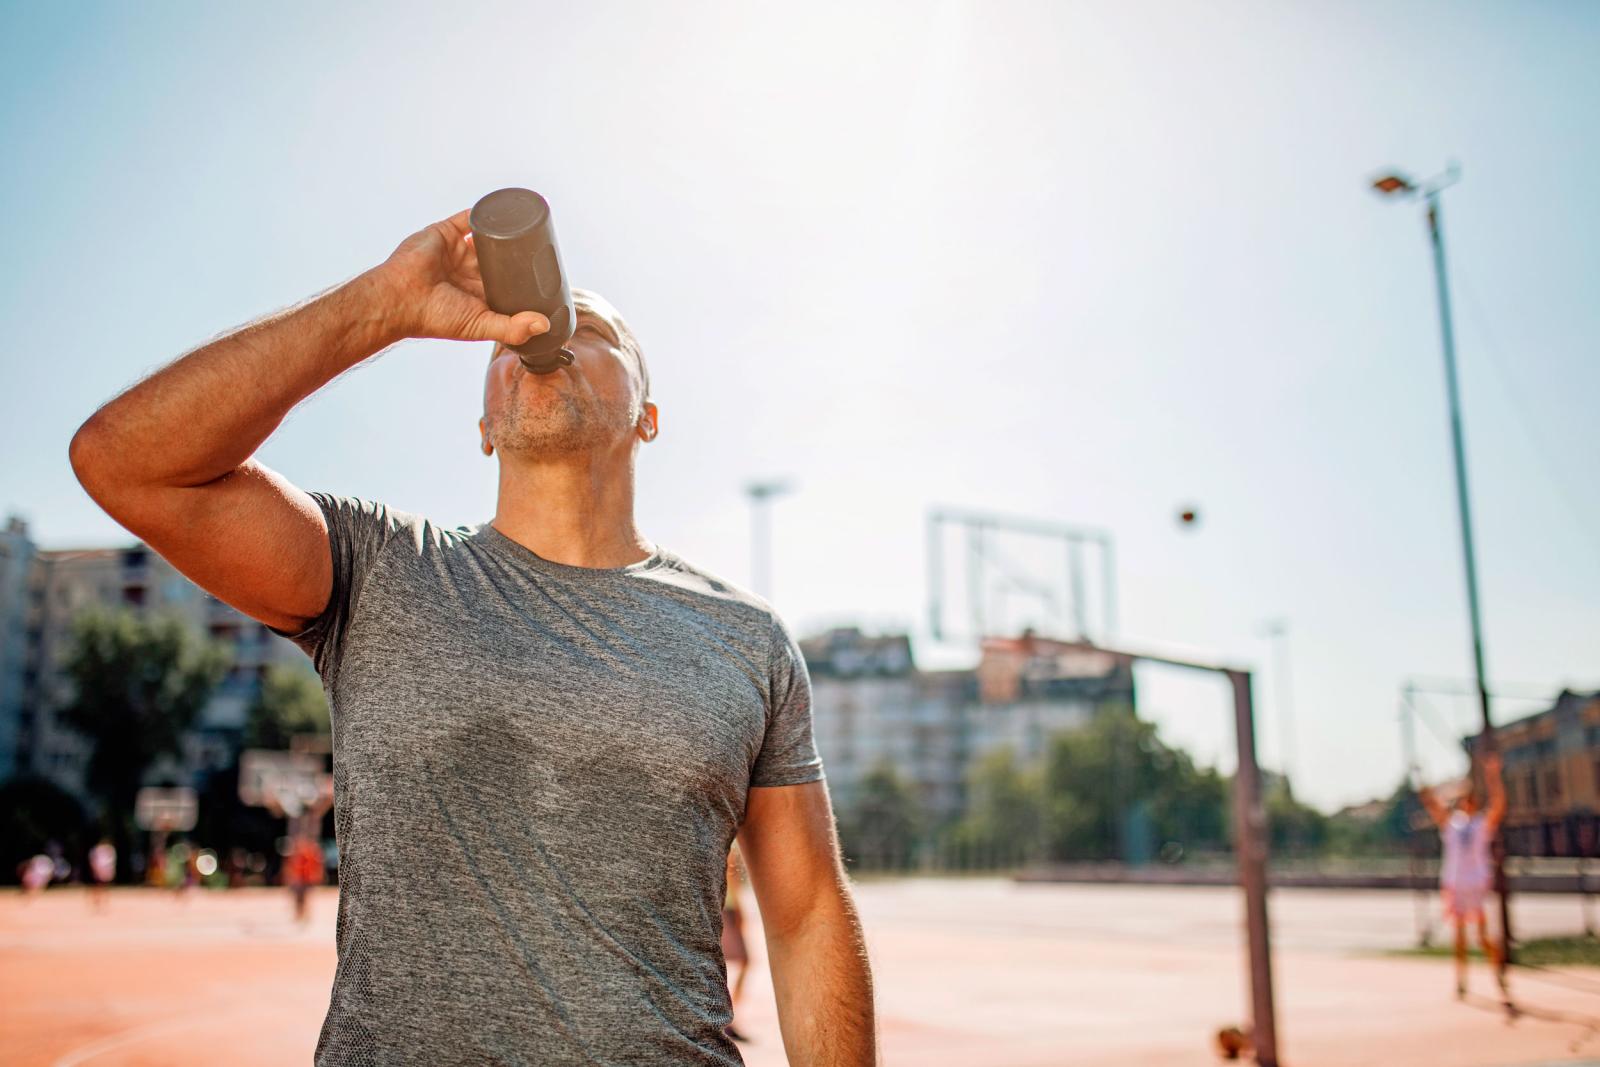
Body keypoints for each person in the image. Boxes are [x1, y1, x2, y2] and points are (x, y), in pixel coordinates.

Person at [70, 207, 877, 1065]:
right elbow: (125, 461)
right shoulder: (379, 567)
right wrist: (380, 306)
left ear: (647, 414)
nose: (537, 337)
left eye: (586, 328)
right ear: (484, 427)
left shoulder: (743, 638)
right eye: (501, 346)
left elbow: (806, 915)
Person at [1419, 751, 1508, 1002]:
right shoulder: (1452, 825)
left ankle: (1498, 973)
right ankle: (1461, 981)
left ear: (1473, 803)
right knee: (1459, 937)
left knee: (1482, 937)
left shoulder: (1481, 825)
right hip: (1456, 885)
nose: (1465, 804)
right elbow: (1432, 804)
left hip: (1475, 885)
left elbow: (1498, 805)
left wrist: (1493, 777)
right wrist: (1423, 778)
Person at [721, 844, 751, 1043]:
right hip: (727, 910)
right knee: (742, 961)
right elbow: (732, 878)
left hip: (725, 908)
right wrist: (740, 910)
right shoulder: (730, 843)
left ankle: (729, 1018)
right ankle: (727, 1020)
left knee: (739, 963)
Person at [88, 838, 116, 911]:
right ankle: (97, 901)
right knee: (98, 885)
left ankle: (103, 901)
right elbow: (93, 860)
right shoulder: (98, 849)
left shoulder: (109, 849)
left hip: (104, 870)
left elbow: (111, 861)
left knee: (104, 886)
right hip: (100, 869)